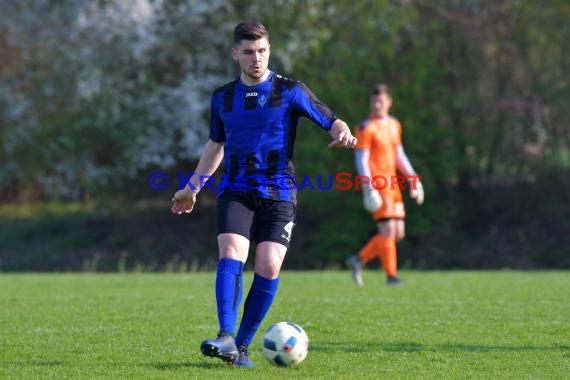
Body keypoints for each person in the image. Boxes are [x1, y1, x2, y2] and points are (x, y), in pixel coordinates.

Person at [171, 20, 357, 367]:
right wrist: (192, 187)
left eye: (262, 51)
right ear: (235, 54)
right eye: (248, 52)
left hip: (279, 193)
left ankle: (240, 347)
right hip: (236, 190)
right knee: (231, 250)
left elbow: (329, 118)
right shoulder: (223, 97)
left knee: (268, 265)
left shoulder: (290, 91)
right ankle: (226, 335)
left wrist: (342, 130)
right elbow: (216, 144)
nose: (256, 58)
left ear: (269, 50)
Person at [347, 83, 424, 286]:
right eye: (374, 101)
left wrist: (413, 179)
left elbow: (399, 155)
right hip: (378, 183)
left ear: (389, 102)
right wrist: (367, 185)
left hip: (393, 184)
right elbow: (361, 159)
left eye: (381, 101)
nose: (377, 104)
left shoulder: (394, 124)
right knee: (388, 232)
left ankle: (359, 258)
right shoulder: (365, 127)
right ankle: (391, 276)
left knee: (398, 233)